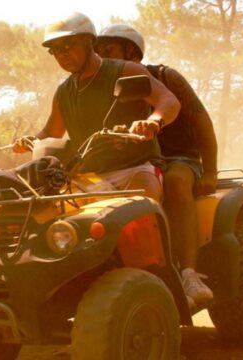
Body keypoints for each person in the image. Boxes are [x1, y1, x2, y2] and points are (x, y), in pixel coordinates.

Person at [95, 24, 218, 306]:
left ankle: (188, 273)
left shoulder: (165, 76)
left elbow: (202, 121)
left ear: (132, 52)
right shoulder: (105, 86)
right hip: (136, 161)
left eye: (109, 49)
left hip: (179, 158)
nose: (103, 56)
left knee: (174, 182)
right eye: (98, 52)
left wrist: (210, 170)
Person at [13, 12, 181, 203]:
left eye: (67, 45)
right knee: (55, 216)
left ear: (89, 42)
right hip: (89, 177)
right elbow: (52, 132)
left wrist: (153, 121)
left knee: (141, 208)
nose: (61, 54)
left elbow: (168, 100)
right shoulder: (64, 92)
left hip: (136, 169)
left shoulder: (124, 70)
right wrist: (31, 141)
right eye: (54, 49)